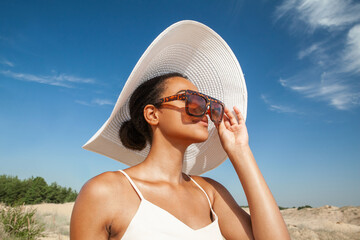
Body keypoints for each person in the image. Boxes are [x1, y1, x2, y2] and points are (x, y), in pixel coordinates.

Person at [70, 21, 290, 240]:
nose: (204, 111)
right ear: (153, 114)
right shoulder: (105, 191)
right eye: (193, 102)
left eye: (208, 105)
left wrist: (240, 150)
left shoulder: (210, 193)